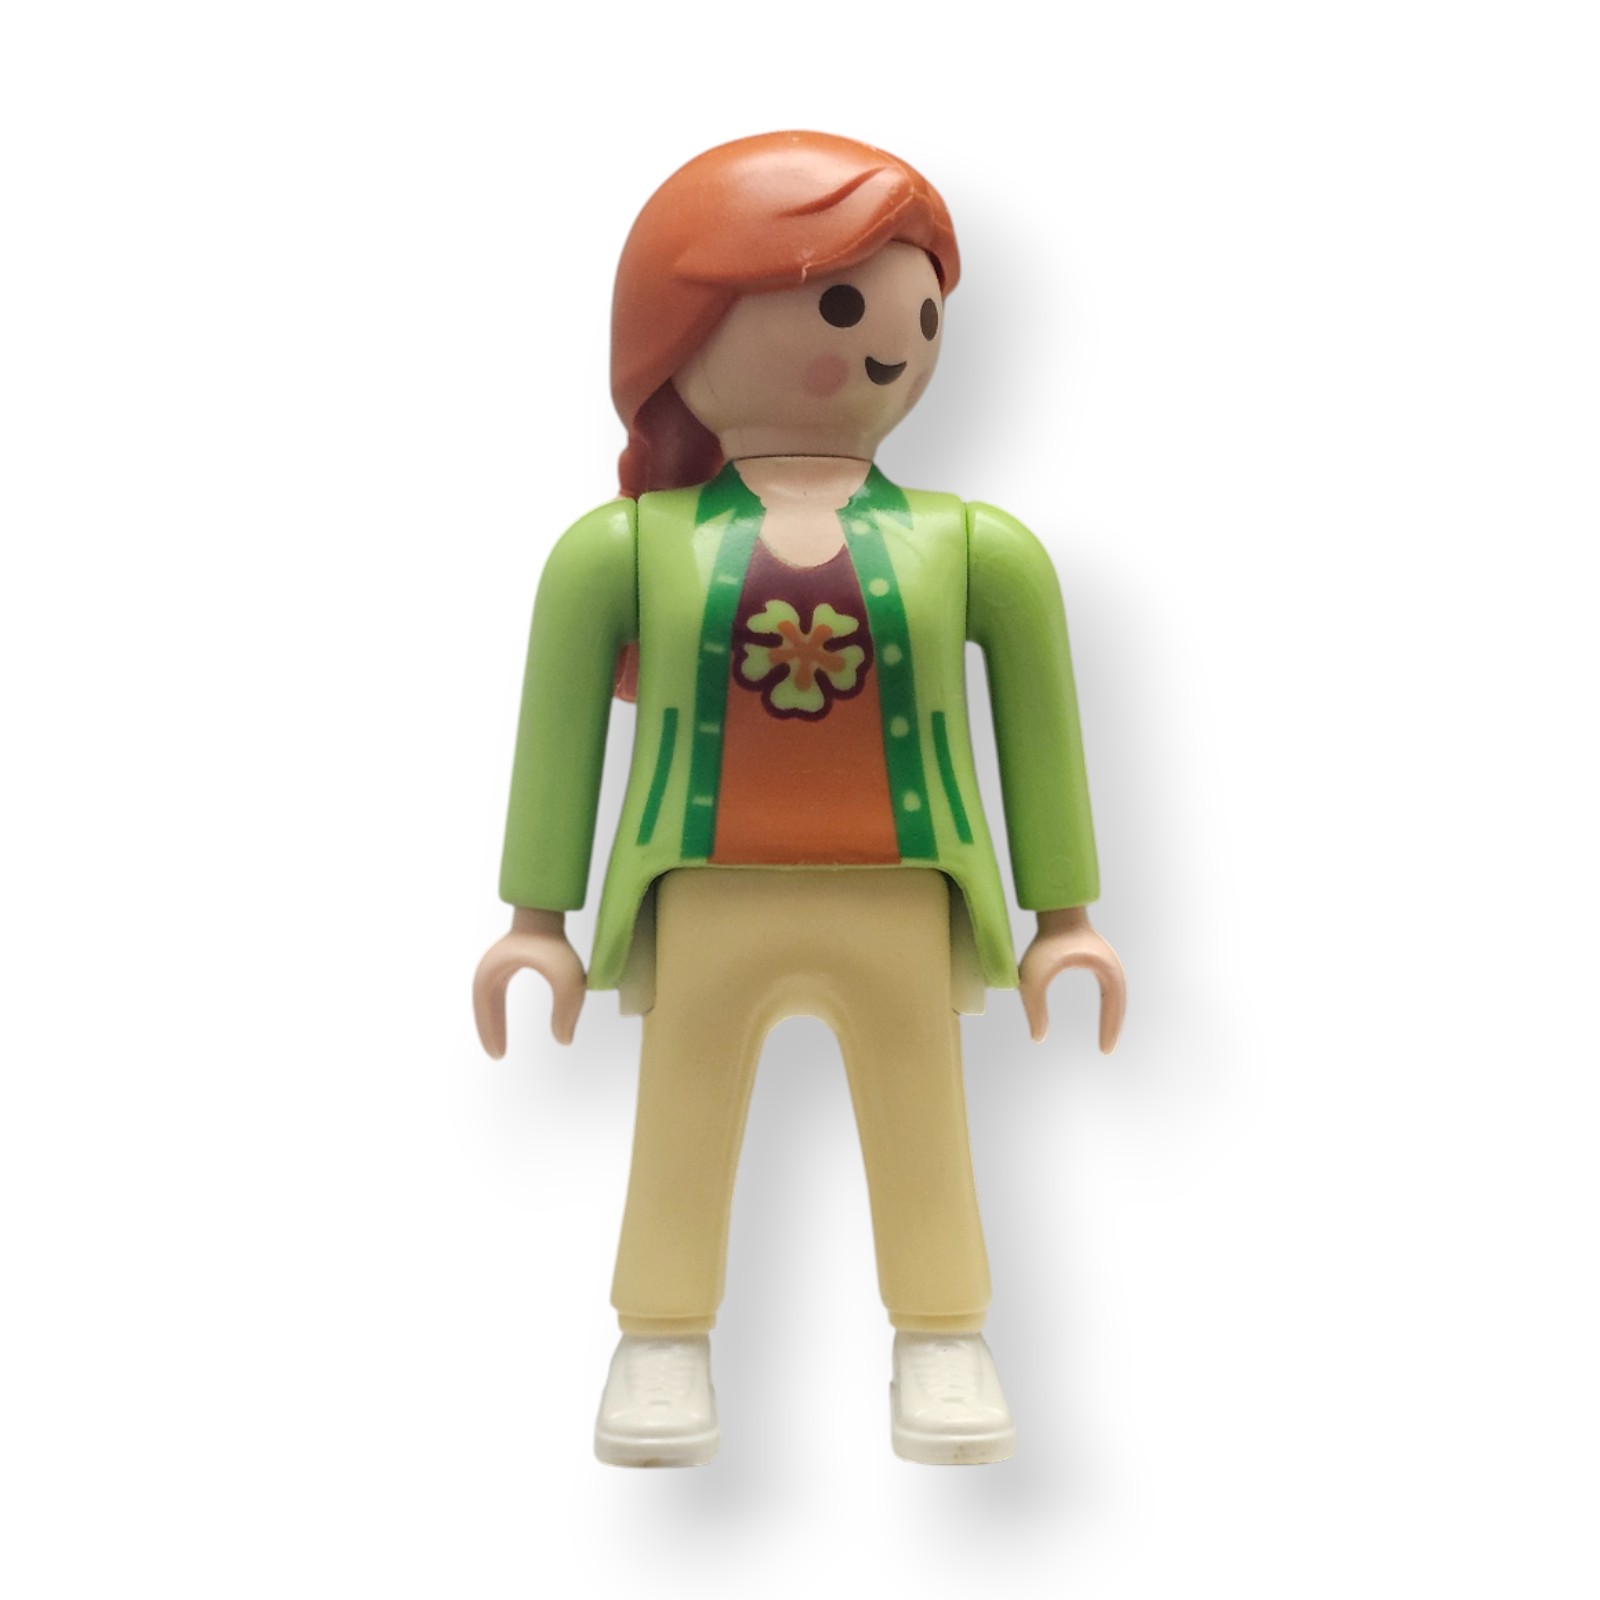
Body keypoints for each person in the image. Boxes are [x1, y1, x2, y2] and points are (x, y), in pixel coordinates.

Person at [472, 131, 1126, 1467]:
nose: (894, 343)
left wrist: (1065, 916)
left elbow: (1041, 725)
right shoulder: (626, 549)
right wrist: (536, 918)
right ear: (688, 322)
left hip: (905, 887)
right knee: (682, 1111)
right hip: (702, 887)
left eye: (920, 314)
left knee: (923, 1110)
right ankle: (660, 1336)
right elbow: (557, 732)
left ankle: (943, 1331)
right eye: (842, 308)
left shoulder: (971, 546)